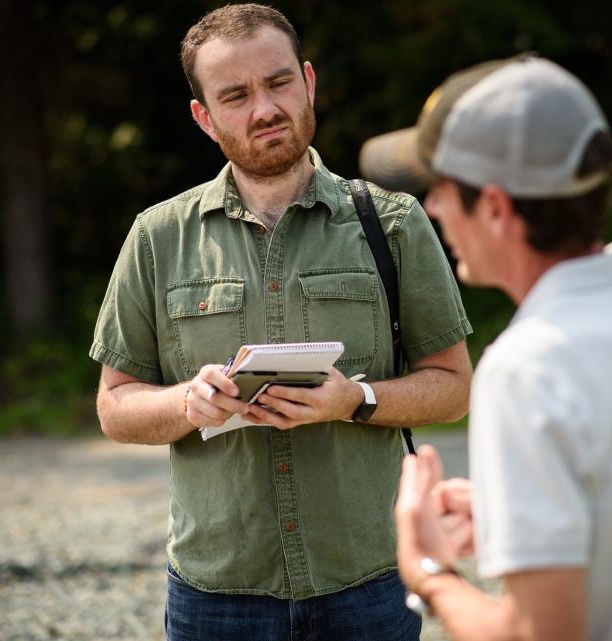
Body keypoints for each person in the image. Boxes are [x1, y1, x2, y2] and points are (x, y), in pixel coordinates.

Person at [90, 4, 473, 640]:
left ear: (309, 81)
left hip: (369, 584)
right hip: (217, 594)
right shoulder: (157, 237)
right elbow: (114, 406)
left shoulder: (395, 222)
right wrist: (189, 402)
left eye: (278, 82)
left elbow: (455, 385)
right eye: (235, 95)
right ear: (204, 119)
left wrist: (356, 399)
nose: (265, 108)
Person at [360, 54, 612, 641]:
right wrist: (509, 516)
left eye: (442, 188)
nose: (435, 207)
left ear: (496, 208)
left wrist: (428, 571)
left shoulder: (528, 367)